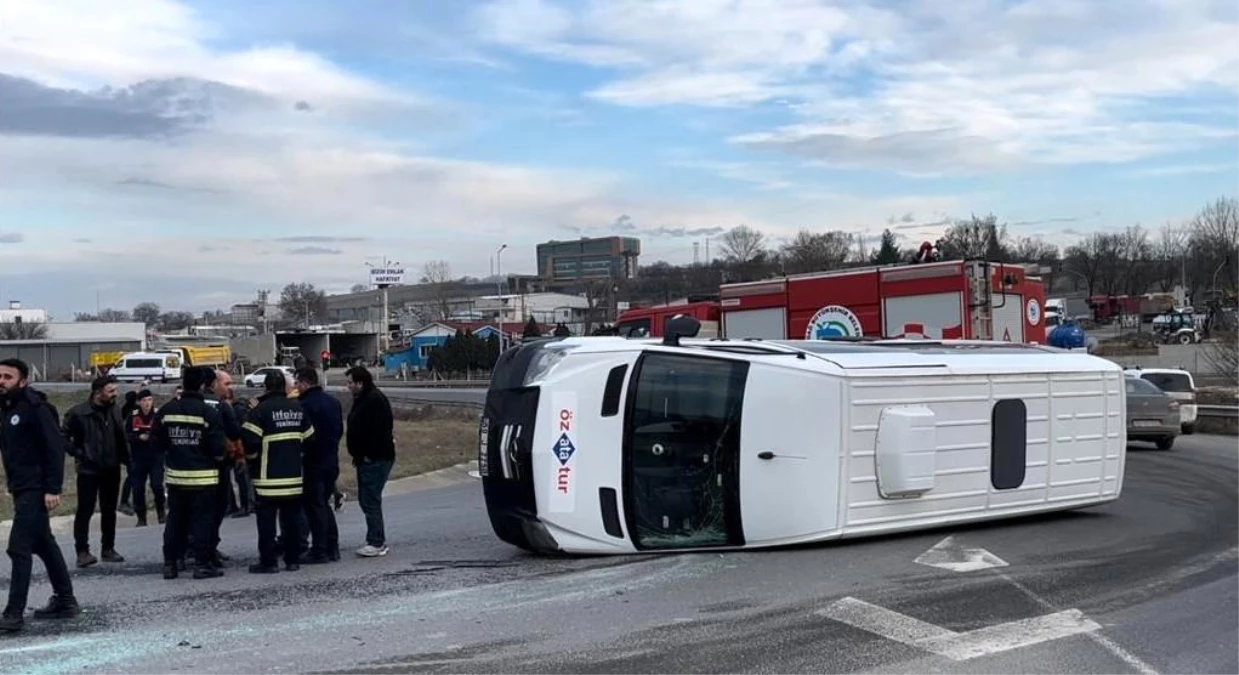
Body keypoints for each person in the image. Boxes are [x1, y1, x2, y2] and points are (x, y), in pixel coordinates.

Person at [0, 358, 79, 632]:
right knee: (44, 544)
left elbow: (54, 448)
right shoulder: (7, 408)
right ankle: (66, 601)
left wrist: (53, 488)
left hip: (36, 488)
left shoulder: (37, 409)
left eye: (8, 377)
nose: (1, 381)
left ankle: (13, 614)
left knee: (18, 548)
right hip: (21, 486)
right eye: (0, 376)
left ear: (23, 381)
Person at [156, 366, 227, 580]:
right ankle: (202, 565)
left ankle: (170, 564)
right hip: (204, 478)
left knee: (175, 520)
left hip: (176, 477)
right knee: (201, 522)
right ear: (202, 385)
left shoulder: (167, 410)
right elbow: (218, 450)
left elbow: (156, 443)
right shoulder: (209, 412)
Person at [241, 370, 313, 573]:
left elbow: (249, 441)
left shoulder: (260, 411)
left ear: (266, 387)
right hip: (293, 478)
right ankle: (292, 560)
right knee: (291, 523)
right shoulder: (298, 408)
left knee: (266, 525)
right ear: (284, 387)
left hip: (267, 481)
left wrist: (253, 461)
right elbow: (310, 440)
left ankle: (269, 562)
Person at [62, 375, 130, 567]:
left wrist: (128, 460)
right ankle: (82, 551)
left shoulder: (115, 410)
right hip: (88, 470)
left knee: (109, 510)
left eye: (115, 390)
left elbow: (120, 437)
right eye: (111, 391)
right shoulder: (78, 413)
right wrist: (79, 452)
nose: (115, 394)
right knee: (85, 510)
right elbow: (63, 436)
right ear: (98, 393)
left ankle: (108, 548)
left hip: (111, 467)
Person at [294, 367, 342, 563]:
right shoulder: (333, 402)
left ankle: (319, 550)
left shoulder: (303, 406)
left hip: (312, 462)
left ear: (305, 383)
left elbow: (304, 436)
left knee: (315, 507)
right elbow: (339, 431)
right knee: (324, 504)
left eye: (297, 383)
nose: (296, 387)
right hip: (331, 460)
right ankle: (333, 547)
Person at [344, 366, 394, 557]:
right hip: (366, 458)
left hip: (376, 458)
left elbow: (378, 432)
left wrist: (367, 455)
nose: (348, 387)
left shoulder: (374, 400)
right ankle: (374, 537)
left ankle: (376, 542)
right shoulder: (363, 399)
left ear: (360, 383)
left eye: (350, 383)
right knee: (367, 500)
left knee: (370, 499)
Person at [199, 367, 242, 568]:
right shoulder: (221, 406)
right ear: (214, 384)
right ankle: (208, 551)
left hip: (190, 466)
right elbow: (234, 432)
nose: (230, 388)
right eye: (226, 384)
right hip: (217, 465)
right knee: (215, 510)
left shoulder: (184, 403)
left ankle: (186, 553)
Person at [125, 389, 165, 527]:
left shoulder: (158, 415)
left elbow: (164, 435)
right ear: (139, 402)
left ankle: (161, 513)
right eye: (144, 400)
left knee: (157, 485)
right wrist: (138, 437)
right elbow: (127, 435)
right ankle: (141, 518)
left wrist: (152, 438)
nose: (147, 403)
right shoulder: (133, 416)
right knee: (137, 489)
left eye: (149, 400)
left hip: (155, 457)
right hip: (138, 458)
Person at [117, 390, 139, 517]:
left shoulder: (126, 409)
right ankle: (124, 502)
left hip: (130, 448)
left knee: (134, 476)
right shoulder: (130, 410)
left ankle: (129, 501)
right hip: (130, 448)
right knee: (133, 476)